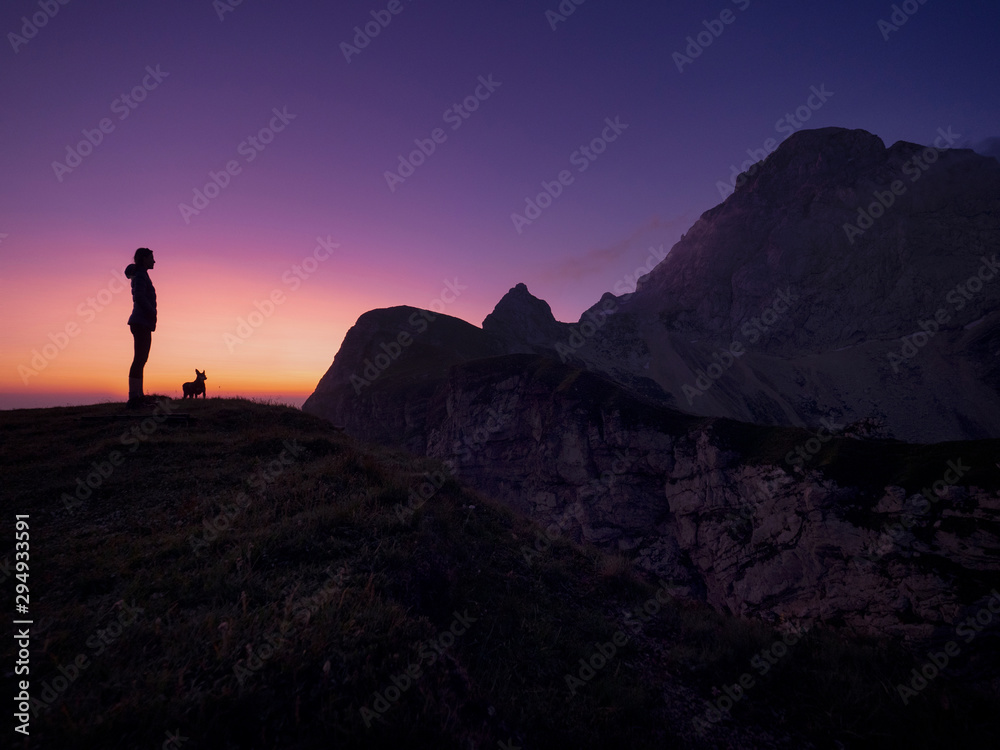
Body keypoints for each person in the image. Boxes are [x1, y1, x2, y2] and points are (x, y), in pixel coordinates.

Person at [124, 247, 157, 407]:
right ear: (144, 259)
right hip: (140, 322)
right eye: (151, 258)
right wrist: (151, 312)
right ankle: (134, 398)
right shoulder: (141, 275)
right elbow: (139, 296)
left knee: (142, 359)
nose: (154, 261)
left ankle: (139, 395)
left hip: (143, 322)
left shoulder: (142, 274)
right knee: (139, 359)